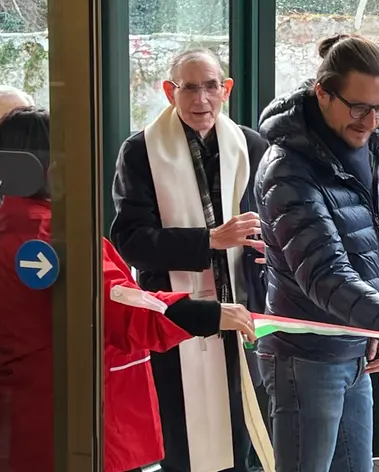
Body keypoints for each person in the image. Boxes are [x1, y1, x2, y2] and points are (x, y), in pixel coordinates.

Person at [0, 107, 258, 472]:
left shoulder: (15, 229)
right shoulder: (55, 239)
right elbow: (118, 307)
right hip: (85, 420)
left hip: (27, 420)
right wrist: (211, 313)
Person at [254, 33, 379, 472]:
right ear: (322, 93)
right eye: (358, 108)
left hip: (355, 346)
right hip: (305, 356)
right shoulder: (288, 167)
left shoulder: (366, 146)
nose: (371, 121)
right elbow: (324, 271)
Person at [110, 48, 270, 472]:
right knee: (180, 433)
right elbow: (130, 240)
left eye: (211, 86)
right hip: (175, 315)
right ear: (169, 91)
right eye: (190, 88)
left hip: (240, 307)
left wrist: (269, 247)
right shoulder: (141, 151)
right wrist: (210, 240)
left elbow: (274, 224)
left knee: (242, 426)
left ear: (226, 89)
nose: (202, 99)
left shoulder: (252, 146)